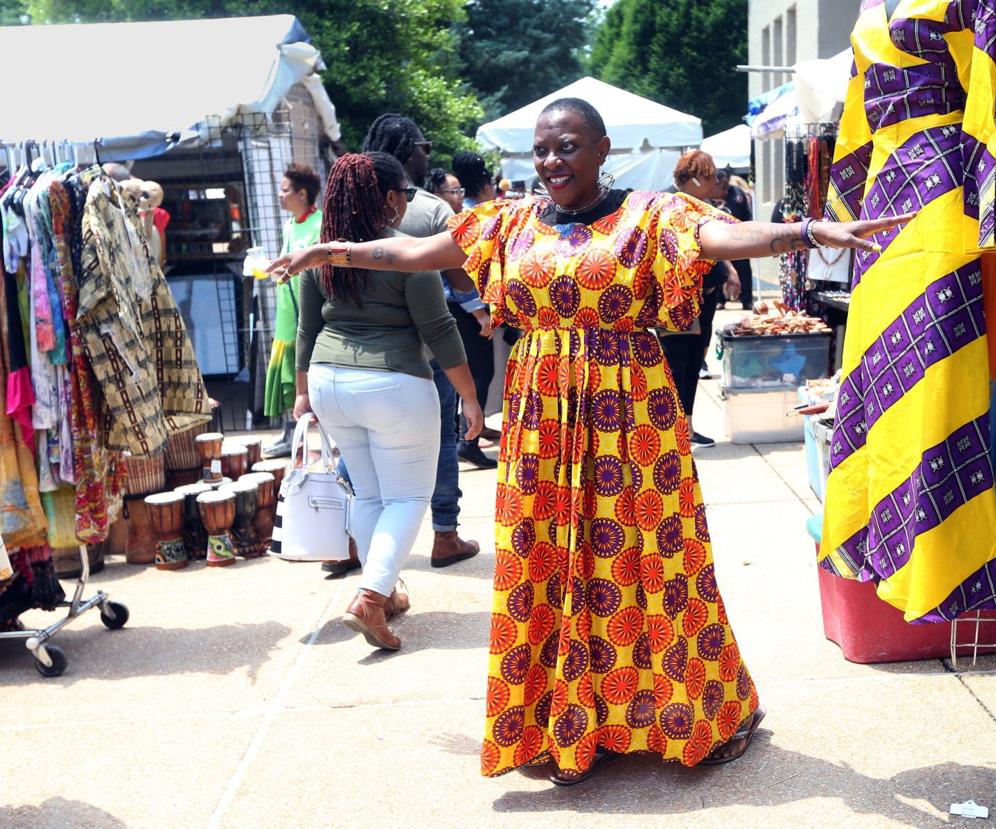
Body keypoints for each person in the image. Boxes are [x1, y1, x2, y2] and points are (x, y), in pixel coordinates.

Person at [272, 98, 908, 783]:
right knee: (551, 564)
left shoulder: (651, 215)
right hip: (542, 424)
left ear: (604, 149)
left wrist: (809, 232)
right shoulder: (508, 222)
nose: (552, 161)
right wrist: (325, 249)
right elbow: (412, 252)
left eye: (567, 146)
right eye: (542, 150)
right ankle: (568, 723)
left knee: (658, 565)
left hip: (633, 422)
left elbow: (723, 239)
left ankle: (700, 714)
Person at [293, 152, 484, 651]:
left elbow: (307, 330)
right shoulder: (405, 252)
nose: (407, 200)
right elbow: (439, 329)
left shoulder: (321, 254)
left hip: (329, 383)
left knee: (370, 495)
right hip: (392, 383)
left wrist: (300, 394)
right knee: (406, 498)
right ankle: (371, 597)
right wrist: (470, 397)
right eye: (403, 191)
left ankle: (386, 589)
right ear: (386, 199)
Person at [361, 114, 484, 564]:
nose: (426, 155)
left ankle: (352, 540)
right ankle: (444, 534)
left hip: (362, 354)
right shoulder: (432, 209)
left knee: (364, 446)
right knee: (442, 439)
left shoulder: (346, 208)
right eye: (424, 147)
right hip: (427, 349)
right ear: (407, 149)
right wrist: (479, 307)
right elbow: (461, 272)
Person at [660, 151, 741, 447]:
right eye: (709, 177)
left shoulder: (703, 205)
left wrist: (729, 269)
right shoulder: (669, 204)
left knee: (694, 361)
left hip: (705, 297)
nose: (714, 182)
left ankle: (688, 426)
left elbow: (717, 245)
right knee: (677, 364)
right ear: (694, 178)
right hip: (680, 301)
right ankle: (675, 431)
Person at [425, 166, 500, 469]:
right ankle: (468, 439)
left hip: (461, 310)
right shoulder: (443, 223)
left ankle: (467, 436)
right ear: (437, 194)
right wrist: (481, 314)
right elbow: (458, 278)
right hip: (461, 311)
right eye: (452, 192)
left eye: (459, 191)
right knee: (479, 373)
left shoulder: (456, 220)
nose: (458, 197)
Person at [264, 163, 323, 459]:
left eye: (285, 190)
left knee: (311, 377)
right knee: (290, 380)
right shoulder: (290, 225)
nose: (279, 195)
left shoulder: (319, 224)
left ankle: (314, 440)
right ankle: (293, 439)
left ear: (302, 194)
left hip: (310, 313)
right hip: (288, 313)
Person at [717, 169, 755, 310]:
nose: (724, 189)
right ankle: (720, 300)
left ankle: (746, 300)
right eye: (721, 186)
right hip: (719, 240)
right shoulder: (710, 197)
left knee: (744, 270)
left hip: (738, 238)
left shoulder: (737, 193)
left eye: (726, 185)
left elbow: (747, 214)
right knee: (721, 270)